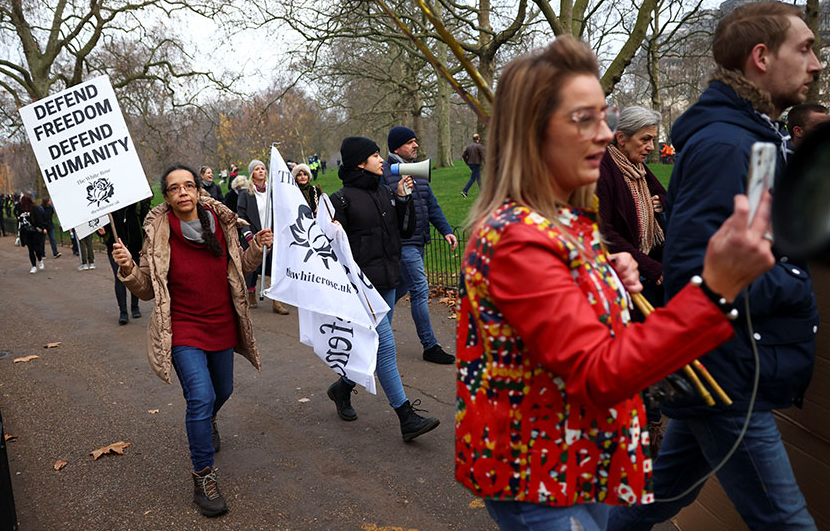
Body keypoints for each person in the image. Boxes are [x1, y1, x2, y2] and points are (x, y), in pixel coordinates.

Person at [456, 35, 779, 530]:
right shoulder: (517, 239)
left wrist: (604, 281)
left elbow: (575, 334)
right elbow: (597, 373)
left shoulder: (565, 222)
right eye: (585, 119)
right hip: (541, 472)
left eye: (604, 116)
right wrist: (715, 291)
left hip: (586, 457)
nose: (606, 134)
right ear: (532, 133)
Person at [610, 1, 821, 531]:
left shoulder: (756, 137)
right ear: (761, 57)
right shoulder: (728, 145)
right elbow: (694, 271)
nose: (817, 63)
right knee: (786, 520)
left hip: (722, 368)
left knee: (662, 496)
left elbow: (759, 238)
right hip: (727, 373)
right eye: (806, 48)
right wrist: (798, 287)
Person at [112, 164, 273, 518]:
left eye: (189, 186)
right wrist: (127, 267)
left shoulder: (221, 222)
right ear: (167, 197)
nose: (183, 192)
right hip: (183, 327)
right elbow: (145, 290)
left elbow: (239, 268)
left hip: (222, 324)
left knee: (223, 391)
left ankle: (206, 420)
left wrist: (258, 248)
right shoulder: (157, 234)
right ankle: (203, 476)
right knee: (200, 396)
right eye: (174, 188)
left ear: (199, 190)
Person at [326, 136, 441, 442]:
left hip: (388, 281)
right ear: (360, 162)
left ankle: (342, 388)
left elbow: (403, 231)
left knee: (372, 346)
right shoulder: (341, 201)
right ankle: (406, 417)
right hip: (363, 289)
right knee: (385, 347)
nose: (381, 160)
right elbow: (330, 249)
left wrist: (403, 200)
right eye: (375, 156)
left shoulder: (386, 192)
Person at [381, 126, 457, 365]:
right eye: (410, 142)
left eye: (415, 141)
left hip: (418, 242)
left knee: (399, 289)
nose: (416, 145)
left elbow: (431, 205)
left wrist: (445, 230)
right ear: (396, 147)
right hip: (404, 245)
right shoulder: (385, 174)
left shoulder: (417, 172)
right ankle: (429, 345)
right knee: (420, 291)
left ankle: (373, 325)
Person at [595, 106, 667, 306]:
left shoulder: (638, 168)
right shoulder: (604, 171)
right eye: (645, 139)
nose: (651, 147)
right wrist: (649, 267)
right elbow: (604, 231)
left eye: (652, 139)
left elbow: (666, 196)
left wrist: (660, 202)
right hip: (622, 280)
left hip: (645, 272)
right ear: (621, 138)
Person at [235, 159, 288, 315]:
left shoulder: (272, 192)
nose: (261, 171)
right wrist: (248, 234)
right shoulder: (246, 193)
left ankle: (277, 301)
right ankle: (251, 293)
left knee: (275, 267)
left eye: (263, 168)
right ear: (252, 173)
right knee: (253, 267)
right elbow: (241, 214)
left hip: (272, 235)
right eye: (257, 169)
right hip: (255, 235)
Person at [99, 200, 148, 325]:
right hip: (115, 247)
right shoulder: (106, 204)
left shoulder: (136, 202)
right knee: (119, 277)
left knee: (135, 274)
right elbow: (99, 223)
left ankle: (135, 307)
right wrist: (100, 230)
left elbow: (146, 221)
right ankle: (123, 312)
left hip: (134, 245)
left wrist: (144, 244)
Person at [17, 196, 47, 273]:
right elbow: (19, 218)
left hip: (35, 231)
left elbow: (40, 220)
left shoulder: (35, 209)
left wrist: (42, 228)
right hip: (27, 232)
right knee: (30, 249)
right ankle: (33, 266)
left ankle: (40, 260)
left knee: (37, 248)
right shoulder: (21, 209)